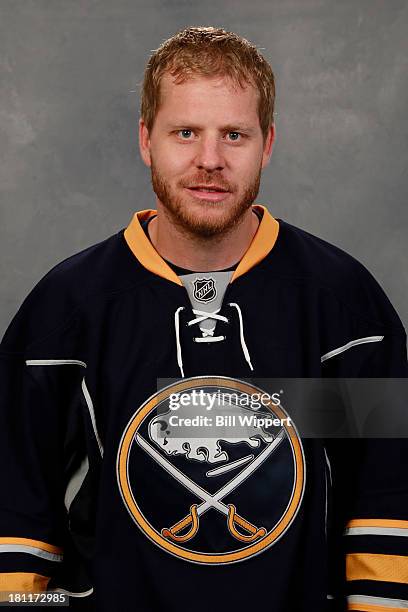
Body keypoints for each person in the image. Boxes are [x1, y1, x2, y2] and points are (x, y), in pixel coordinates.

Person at [0, 26, 407, 612]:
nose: (209, 160)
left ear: (267, 144)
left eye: (234, 135)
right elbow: (17, 523)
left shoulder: (345, 311)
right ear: (146, 140)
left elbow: (388, 503)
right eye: (185, 132)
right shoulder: (61, 316)